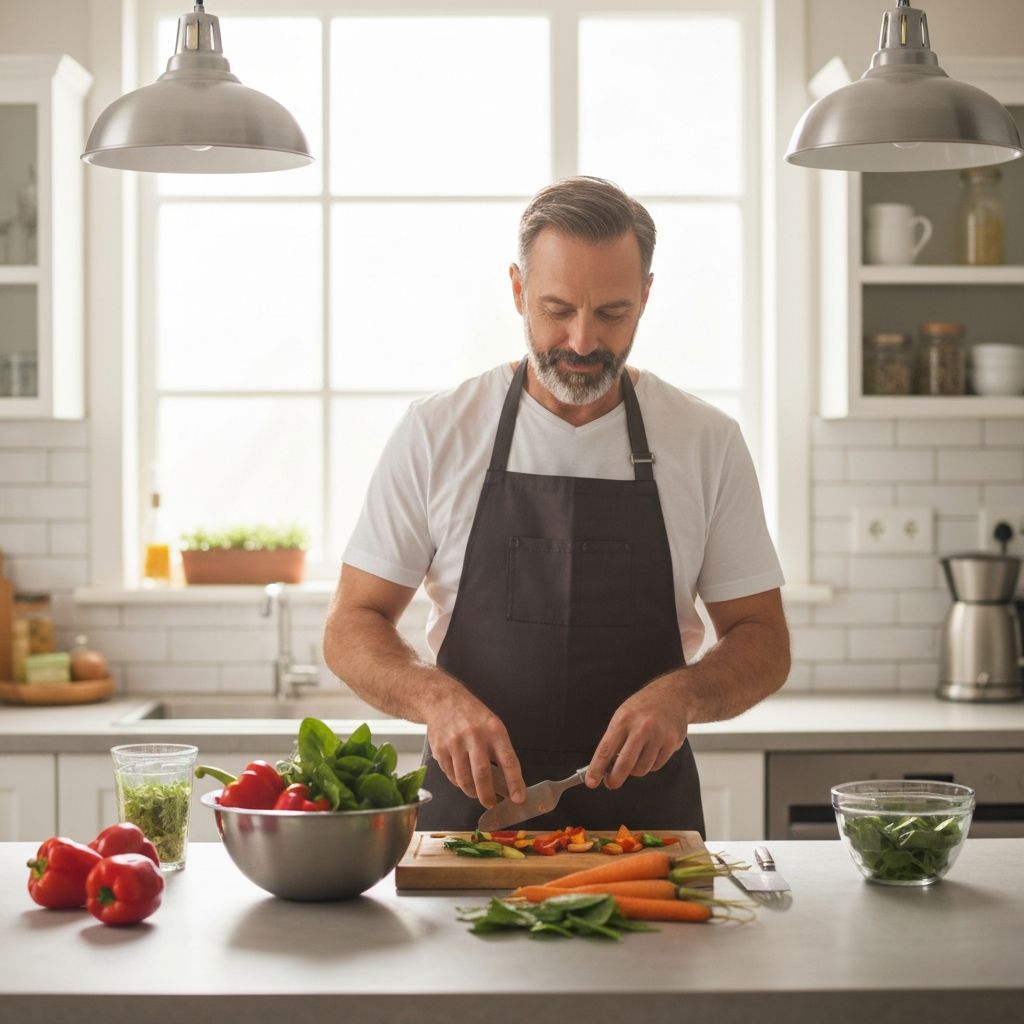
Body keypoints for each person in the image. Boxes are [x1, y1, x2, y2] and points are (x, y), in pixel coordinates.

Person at [323, 176, 790, 834]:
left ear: (646, 298)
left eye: (611, 314)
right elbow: (350, 625)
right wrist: (435, 698)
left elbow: (765, 641)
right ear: (517, 291)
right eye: (557, 308)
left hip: (647, 843)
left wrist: (687, 694)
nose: (579, 341)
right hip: (470, 831)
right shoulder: (438, 432)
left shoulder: (705, 442)